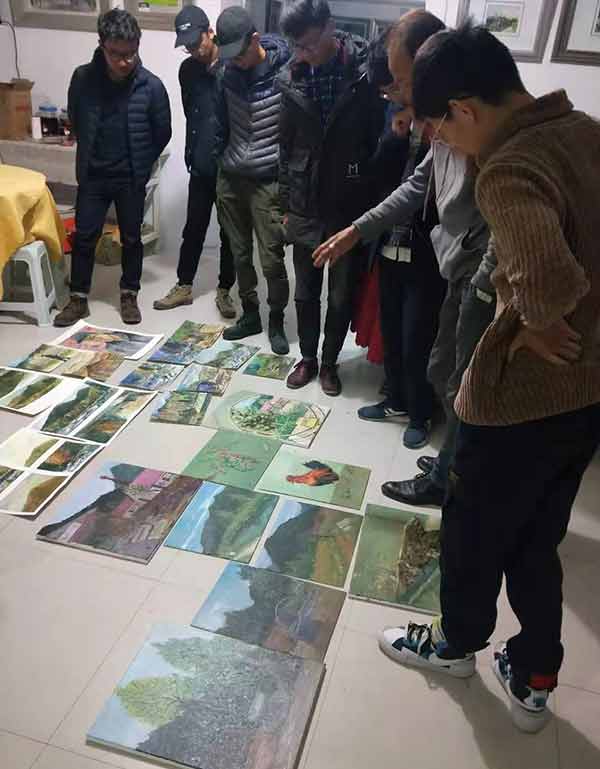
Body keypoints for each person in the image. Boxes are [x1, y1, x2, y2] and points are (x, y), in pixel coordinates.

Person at [378, 22, 600, 734]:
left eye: (441, 128)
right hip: (585, 395)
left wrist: (531, 311)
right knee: (537, 539)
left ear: (465, 110)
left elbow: (542, 276)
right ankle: (535, 675)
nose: (442, 142)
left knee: (470, 533)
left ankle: (455, 645)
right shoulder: (584, 131)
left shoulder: (507, 167)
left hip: (516, 402)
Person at [313, 9, 496, 502]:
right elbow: (417, 184)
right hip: (457, 266)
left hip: (472, 273)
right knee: (444, 369)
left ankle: (450, 479)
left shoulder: (483, 132)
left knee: (457, 379)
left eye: (400, 81)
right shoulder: (443, 123)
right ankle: (448, 464)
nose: (396, 94)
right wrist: (357, 230)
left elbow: (513, 231)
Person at [278, 0, 385, 396]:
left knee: (341, 295)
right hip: (304, 200)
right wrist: (285, 204)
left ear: (330, 27)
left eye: (308, 45)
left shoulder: (363, 73)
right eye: (297, 47)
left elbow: (375, 141)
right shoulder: (292, 77)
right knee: (305, 292)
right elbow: (284, 146)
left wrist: (368, 204)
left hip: (348, 203)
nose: (303, 54)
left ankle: (329, 363)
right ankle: (307, 358)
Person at [356, 33, 446, 448]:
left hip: (427, 252)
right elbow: (377, 177)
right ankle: (394, 399)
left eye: (396, 86)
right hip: (389, 244)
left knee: (417, 338)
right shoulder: (394, 117)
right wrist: (394, 137)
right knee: (391, 329)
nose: (393, 95)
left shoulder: (441, 122)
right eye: (388, 90)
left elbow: (431, 192)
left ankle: (421, 412)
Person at [54, 9, 171, 327]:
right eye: (117, 54)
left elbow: (162, 132)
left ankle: (129, 294)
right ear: (102, 45)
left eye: (131, 53)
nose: (125, 61)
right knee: (84, 237)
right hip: (93, 174)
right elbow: (76, 117)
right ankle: (78, 298)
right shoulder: (82, 79)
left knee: (132, 238)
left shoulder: (151, 86)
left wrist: (142, 162)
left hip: (130, 177)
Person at [214, 6, 290, 354]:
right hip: (231, 177)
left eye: (239, 54)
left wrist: (289, 189)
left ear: (255, 40)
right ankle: (250, 314)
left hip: (267, 181)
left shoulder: (286, 73)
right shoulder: (226, 74)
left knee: (271, 259)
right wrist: (219, 161)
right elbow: (220, 123)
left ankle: (276, 319)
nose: (234, 61)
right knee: (240, 254)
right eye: (229, 55)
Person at [153, 6, 235, 319]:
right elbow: (193, 116)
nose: (192, 50)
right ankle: (184, 285)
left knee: (230, 234)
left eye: (196, 42)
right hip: (200, 163)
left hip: (229, 167)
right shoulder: (187, 70)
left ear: (210, 33)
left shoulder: (232, 66)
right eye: (186, 46)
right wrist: (191, 152)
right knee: (194, 228)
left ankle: (225, 289)